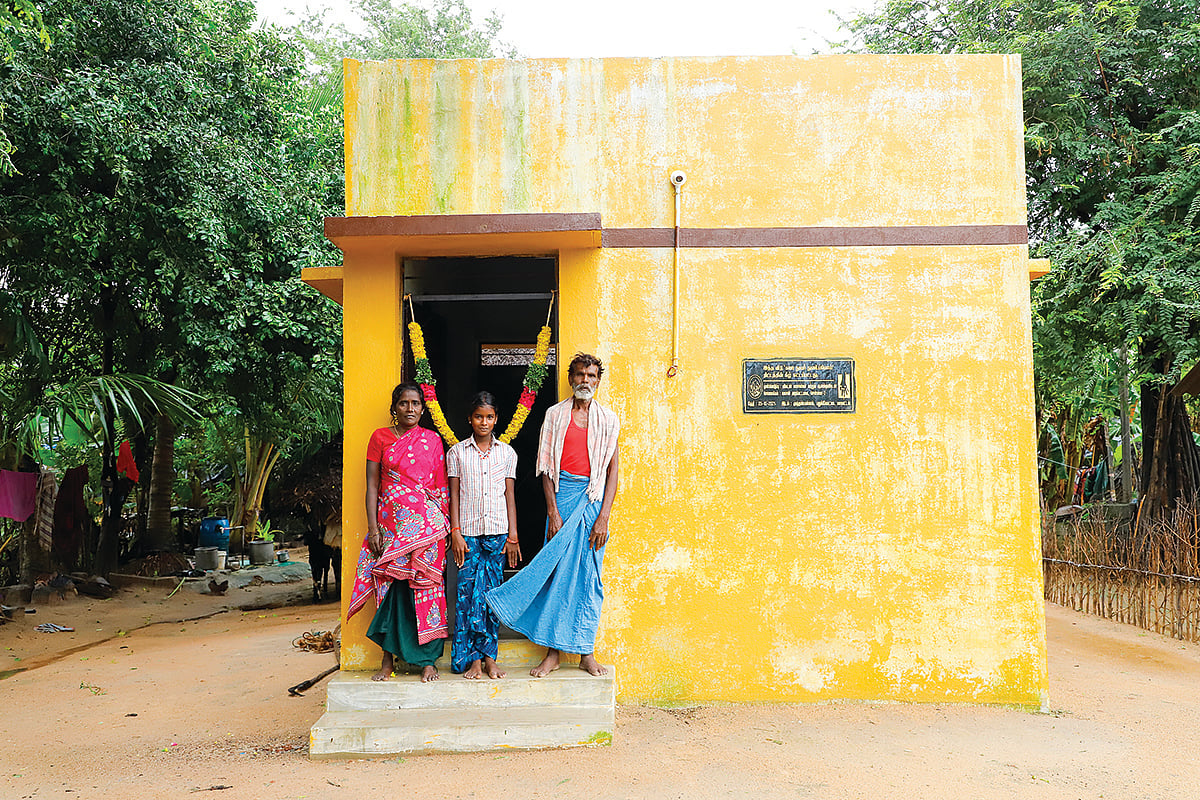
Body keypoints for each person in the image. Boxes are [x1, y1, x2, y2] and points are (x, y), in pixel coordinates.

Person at [486, 353, 620, 677]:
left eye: (591, 375)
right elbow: (545, 467)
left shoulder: (608, 419)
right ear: (571, 379)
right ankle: (553, 654)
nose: (585, 380)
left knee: (589, 580)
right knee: (556, 576)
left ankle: (586, 652)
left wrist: (603, 516)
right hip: (562, 500)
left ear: (598, 380)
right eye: (580, 374)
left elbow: (613, 471)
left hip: (593, 503)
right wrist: (552, 511)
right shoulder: (555, 415)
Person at [347, 382, 450, 682]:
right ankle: (387, 659)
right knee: (390, 591)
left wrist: (445, 526)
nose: (410, 409)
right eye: (404, 403)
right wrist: (373, 529)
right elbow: (372, 486)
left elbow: (441, 487)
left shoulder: (432, 440)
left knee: (428, 588)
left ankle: (428, 660)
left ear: (422, 408)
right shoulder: (379, 438)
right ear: (394, 407)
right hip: (391, 529)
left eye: (415, 403)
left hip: (428, 530)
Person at [446, 391, 522, 679]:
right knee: (467, 597)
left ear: (496, 419)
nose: (484, 422)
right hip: (467, 534)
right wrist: (455, 532)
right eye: (478, 416)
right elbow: (454, 495)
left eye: (489, 417)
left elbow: (509, 495)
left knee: (491, 597)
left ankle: (490, 658)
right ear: (470, 419)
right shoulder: (457, 453)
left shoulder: (507, 453)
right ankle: (473, 660)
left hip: (497, 534)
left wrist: (513, 535)